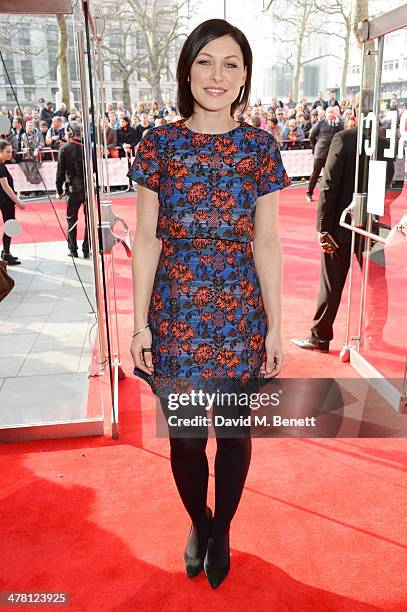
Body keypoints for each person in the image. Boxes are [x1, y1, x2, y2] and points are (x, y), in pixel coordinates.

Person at [129, 18, 290, 589]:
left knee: (235, 434)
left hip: (240, 313)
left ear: (245, 76)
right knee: (189, 440)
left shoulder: (259, 148)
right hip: (175, 315)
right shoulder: (159, 145)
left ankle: (223, 529)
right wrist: (139, 325)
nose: (217, 75)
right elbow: (147, 238)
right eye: (205, 61)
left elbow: (266, 242)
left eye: (230, 64)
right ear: (186, 70)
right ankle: (199, 523)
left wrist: (275, 326)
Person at [291, 127, 393, 352]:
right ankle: (373, 336)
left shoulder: (345, 138)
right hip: (371, 226)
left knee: (331, 284)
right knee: (376, 283)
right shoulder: (383, 143)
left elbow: (329, 184)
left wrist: (322, 227)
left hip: (341, 226)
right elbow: (389, 185)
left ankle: (320, 337)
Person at [55, 122, 90, 258]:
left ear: (69, 133)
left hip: (73, 189)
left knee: (71, 219)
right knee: (89, 220)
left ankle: (73, 249)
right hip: (87, 188)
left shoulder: (64, 149)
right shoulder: (87, 148)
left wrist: (59, 190)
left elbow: (60, 172)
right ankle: (86, 249)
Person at [306, 107, 343, 202]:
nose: (330, 114)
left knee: (331, 175)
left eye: (332, 112)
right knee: (315, 174)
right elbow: (311, 136)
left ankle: (330, 195)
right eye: (329, 112)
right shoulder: (321, 123)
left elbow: (343, 134)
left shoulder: (338, 124)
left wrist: (338, 123)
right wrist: (316, 146)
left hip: (331, 154)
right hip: (320, 153)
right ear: (326, 114)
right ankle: (309, 193)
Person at [0, 140, 25, 265]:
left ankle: (6, 252)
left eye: (11, 151)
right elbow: (6, 186)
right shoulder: (0, 166)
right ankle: (6, 254)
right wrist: (18, 201)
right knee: (10, 226)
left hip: (4, 201)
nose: (10, 154)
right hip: (5, 201)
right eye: (7, 152)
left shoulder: (2, 165)